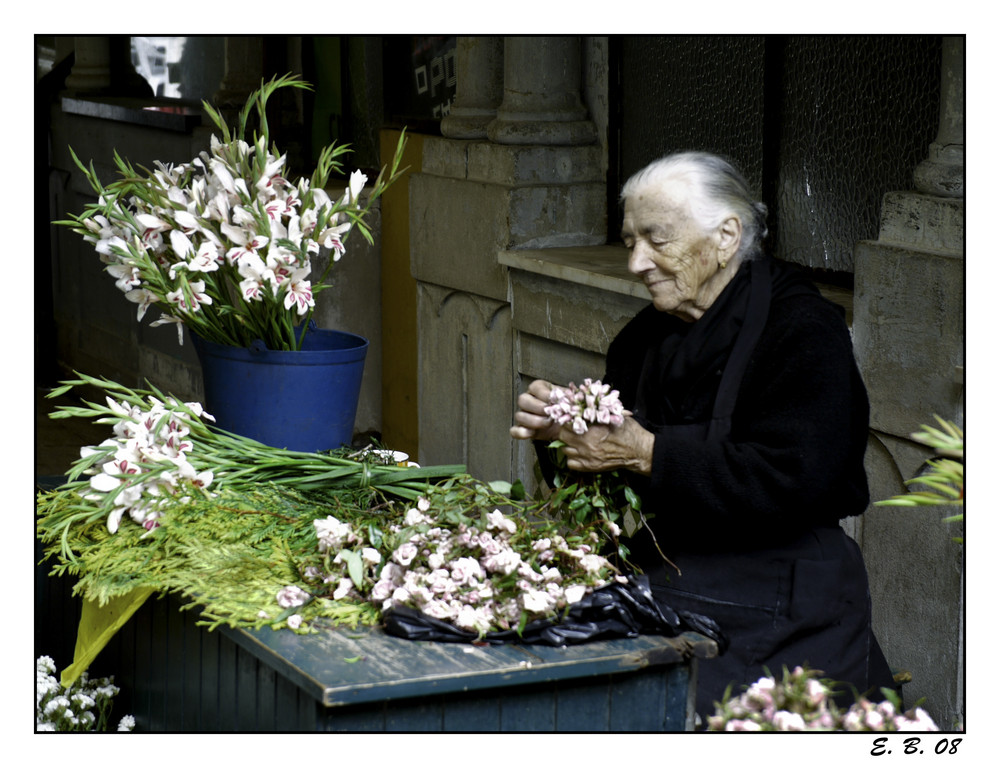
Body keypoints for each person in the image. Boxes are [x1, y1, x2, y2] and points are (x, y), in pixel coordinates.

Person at [510, 151, 896, 721]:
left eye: (657, 239)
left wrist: (647, 452)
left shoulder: (803, 332)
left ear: (726, 237)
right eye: (629, 241)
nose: (637, 262)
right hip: (677, 576)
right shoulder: (643, 338)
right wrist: (566, 436)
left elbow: (797, 478)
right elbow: (611, 479)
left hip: (785, 595)